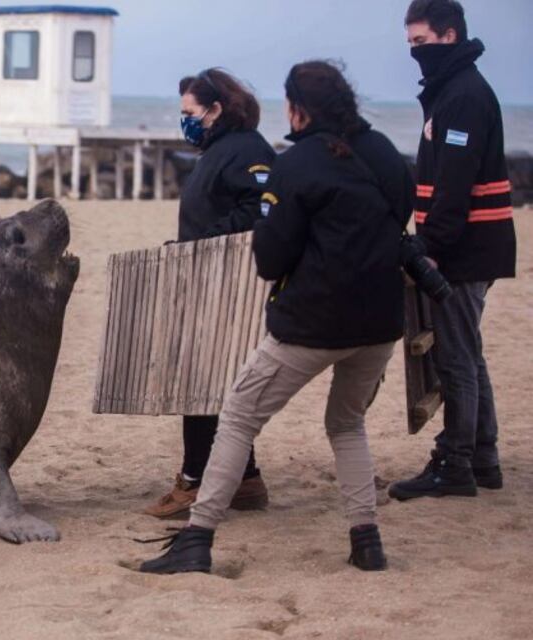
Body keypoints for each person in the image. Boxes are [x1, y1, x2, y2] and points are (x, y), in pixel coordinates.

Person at [139, 60, 413, 574]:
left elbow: (270, 257)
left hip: (314, 321)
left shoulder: (297, 164)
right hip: (380, 320)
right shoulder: (384, 154)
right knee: (347, 423)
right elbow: (397, 217)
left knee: (239, 414)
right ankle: (366, 540)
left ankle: (197, 539)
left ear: (298, 108)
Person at [389, 0, 516, 501]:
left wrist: (431, 246)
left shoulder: (462, 96)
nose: (415, 54)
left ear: (449, 35)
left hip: (466, 248)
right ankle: (483, 456)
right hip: (471, 245)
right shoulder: (452, 90)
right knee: (470, 355)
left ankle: (456, 462)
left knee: (456, 358)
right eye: (410, 45)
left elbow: (455, 184)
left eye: (420, 43)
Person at [143, 68, 275, 519]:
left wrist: (196, 246)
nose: (186, 121)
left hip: (225, 281)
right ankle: (247, 478)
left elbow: (257, 212)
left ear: (217, 109)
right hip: (206, 277)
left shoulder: (246, 150)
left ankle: (194, 480)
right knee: (218, 385)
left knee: (199, 384)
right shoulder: (222, 149)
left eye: (190, 112)